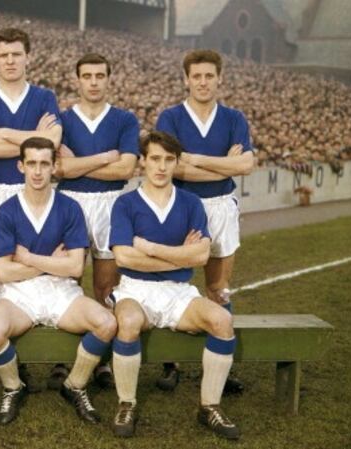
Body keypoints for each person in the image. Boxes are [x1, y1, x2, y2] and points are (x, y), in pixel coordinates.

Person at [108, 130, 239, 440]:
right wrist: (181, 255)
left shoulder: (191, 203)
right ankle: (127, 403)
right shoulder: (125, 203)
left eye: (169, 160)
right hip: (134, 289)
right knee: (126, 321)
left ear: (176, 163)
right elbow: (124, 258)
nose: (161, 166)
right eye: (155, 159)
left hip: (178, 293)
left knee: (222, 320)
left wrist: (151, 249)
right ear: (142, 162)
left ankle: (209, 407)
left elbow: (202, 254)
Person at [0, 137, 117, 425]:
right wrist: (52, 264)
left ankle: (75, 384)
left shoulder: (69, 207)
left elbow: (75, 266)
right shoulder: (7, 210)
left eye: (45, 163)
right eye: (31, 163)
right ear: (21, 166)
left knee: (106, 323)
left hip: (61, 291)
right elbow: (3, 273)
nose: (38, 171)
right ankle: (12, 387)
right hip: (18, 293)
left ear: (55, 167)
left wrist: (29, 258)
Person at [155, 50, 254, 393]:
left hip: (221, 206)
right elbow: (171, 167)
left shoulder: (233, 118)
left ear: (219, 78)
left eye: (209, 76)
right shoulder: (170, 118)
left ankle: (221, 362)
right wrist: (220, 163)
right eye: (196, 76)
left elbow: (245, 166)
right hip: (180, 204)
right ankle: (170, 363)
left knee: (218, 288)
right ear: (186, 79)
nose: (202, 82)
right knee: (171, 285)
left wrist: (194, 158)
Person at [0, 28, 62, 394]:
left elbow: (50, 145)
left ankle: (54, 357)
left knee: (47, 275)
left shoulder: (44, 96)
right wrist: (28, 137)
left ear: (28, 57)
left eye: (16, 54)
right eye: (3, 55)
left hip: (35, 191)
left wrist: (4, 132)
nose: (10, 60)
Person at [51, 53, 140, 389]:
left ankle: (102, 358)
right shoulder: (63, 119)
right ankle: (63, 357)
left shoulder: (124, 120)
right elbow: (59, 169)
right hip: (70, 202)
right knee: (66, 283)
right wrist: (105, 156)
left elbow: (125, 169)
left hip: (111, 204)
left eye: (99, 76)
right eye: (86, 76)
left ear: (108, 79)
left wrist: (79, 164)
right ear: (77, 80)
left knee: (106, 286)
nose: (93, 82)